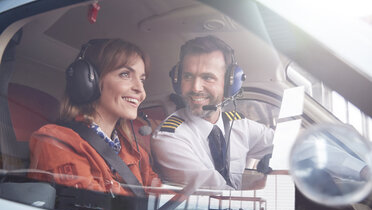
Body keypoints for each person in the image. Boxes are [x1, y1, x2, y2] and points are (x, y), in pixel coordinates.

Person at [29, 39, 160, 196]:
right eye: (125, 74)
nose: (141, 90)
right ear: (88, 81)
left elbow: (161, 194)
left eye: (142, 80)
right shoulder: (56, 141)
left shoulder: (135, 152)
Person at [151, 35, 274, 190]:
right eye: (188, 76)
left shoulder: (238, 124)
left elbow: (281, 144)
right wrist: (266, 187)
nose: (195, 87)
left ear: (230, 84)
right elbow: (220, 196)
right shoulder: (170, 137)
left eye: (207, 77)